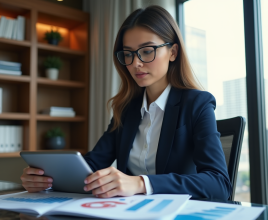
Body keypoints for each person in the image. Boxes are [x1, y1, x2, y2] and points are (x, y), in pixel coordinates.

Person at [21, 5, 231, 200]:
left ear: (173, 52)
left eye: (147, 51)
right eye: (128, 54)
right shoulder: (127, 109)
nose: (136, 63)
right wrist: (47, 180)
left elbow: (218, 183)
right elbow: (91, 166)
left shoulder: (198, 104)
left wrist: (141, 184)